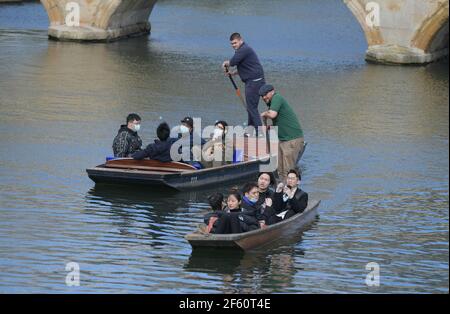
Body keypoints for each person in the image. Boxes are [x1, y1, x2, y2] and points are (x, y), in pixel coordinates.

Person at [259, 84, 305, 182]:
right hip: (283, 140)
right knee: (280, 170)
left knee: (288, 171)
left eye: (265, 94)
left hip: (291, 139)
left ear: (272, 91)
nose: (263, 97)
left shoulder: (277, 97)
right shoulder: (272, 104)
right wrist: (269, 127)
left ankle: (289, 192)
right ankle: (281, 191)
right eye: (262, 96)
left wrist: (264, 114)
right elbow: (279, 121)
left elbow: (272, 114)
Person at [222, 33, 266, 130]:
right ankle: (250, 131)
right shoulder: (243, 50)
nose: (234, 45)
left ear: (241, 40)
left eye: (235, 43)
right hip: (255, 81)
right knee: (251, 107)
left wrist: (225, 63)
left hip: (254, 82)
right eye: (232, 44)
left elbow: (232, 62)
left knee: (251, 108)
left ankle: (260, 133)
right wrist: (234, 73)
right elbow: (246, 66)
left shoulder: (243, 50)